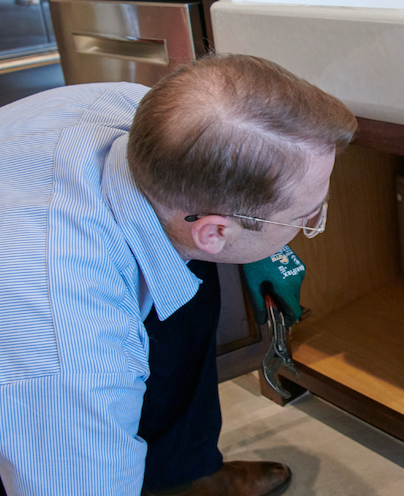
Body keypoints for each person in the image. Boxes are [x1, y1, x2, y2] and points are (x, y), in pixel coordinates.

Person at [0, 54, 358, 496]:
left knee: (183, 278)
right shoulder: (72, 355)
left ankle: (184, 474)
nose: (309, 227)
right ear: (214, 231)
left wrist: (263, 242)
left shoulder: (146, 114)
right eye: (305, 216)